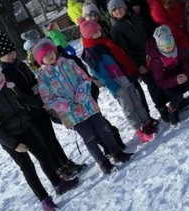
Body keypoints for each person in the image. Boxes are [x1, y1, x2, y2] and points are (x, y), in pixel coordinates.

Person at [0, 60, 80, 211]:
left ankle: (58, 184)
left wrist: (41, 104)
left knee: (44, 156)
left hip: (25, 128)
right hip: (10, 138)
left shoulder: (7, 86)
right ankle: (44, 200)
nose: (3, 75)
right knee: (28, 168)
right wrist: (14, 145)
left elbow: (23, 98)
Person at [0, 32, 85, 180]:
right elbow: (17, 96)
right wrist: (35, 97)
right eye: (8, 53)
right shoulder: (3, 74)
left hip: (40, 107)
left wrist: (40, 94)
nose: (13, 54)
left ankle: (66, 162)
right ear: (0, 56)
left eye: (13, 50)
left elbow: (35, 82)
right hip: (28, 114)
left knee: (52, 138)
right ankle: (59, 169)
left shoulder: (21, 65)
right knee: (45, 143)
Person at [34, 39, 134, 175]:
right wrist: (69, 105)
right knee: (89, 138)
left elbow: (84, 79)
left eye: (51, 51)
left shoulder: (68, 62)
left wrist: (80, 97)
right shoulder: (42, 76)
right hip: (71, 113)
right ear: (40, 60)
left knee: (103, 129)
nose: (49, 55)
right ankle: (102, 162)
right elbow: (48, 98)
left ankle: (116, 152)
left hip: (87, 103)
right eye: (45, 55)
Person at [79, 18, 157, 142]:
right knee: (128, 107)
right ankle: (139, 128)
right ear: (89, 35)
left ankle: (146, 121)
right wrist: (115, 88)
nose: (99, 32)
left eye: (98, 30)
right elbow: (101, 75)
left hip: (125, 77)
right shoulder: (92, 53)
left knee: (136, 101)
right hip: (117, 83)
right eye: (96, 31)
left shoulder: (103, 43)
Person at [108, 0, 170, 123]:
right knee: (153, 85)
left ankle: (172, 102)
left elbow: (150, 31)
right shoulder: (116, 29)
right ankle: (162, 108)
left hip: (154, 54)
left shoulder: (136, 18)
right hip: (141, 60)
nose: (118, 11)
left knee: (163, 78)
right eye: (114, 10)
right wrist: (138, 65)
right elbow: (126, 51)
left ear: (124, 7)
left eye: (119, 8)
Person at [147, 25, 189, 125]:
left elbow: (186, 62)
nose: (170, 48)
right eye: (167, 47)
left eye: (172, 45)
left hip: (180, 76)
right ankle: (173, 114)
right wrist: (174, 80)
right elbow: (159, 82)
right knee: (177, 96)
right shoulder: (156, 60)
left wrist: (184, 73)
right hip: (168, 83)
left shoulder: (177, 48)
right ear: (160, 46)